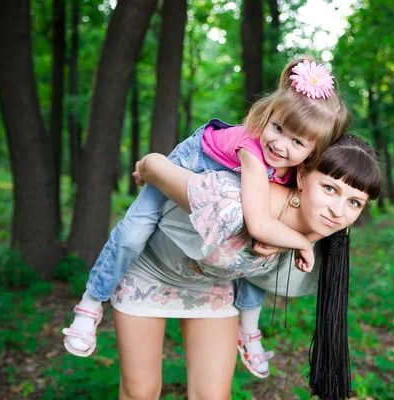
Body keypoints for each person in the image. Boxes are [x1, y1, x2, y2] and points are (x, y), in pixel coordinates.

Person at [63, 58, 350, 378]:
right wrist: (301, 242)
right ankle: (90, 302)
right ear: (266, 117)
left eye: (296, 141)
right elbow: (257, 222)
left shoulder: (297, 173)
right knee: (134, 231)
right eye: (277, 128)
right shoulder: (253, 149)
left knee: (258, 254)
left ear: (313, 153)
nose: (280, 144)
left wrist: (304, 237)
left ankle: (249, 330)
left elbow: (313, 215)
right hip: (194, 164)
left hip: (224, 212)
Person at [112, 133, 382, 399]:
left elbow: (328, 222)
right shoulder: (233, 199)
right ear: (301, 176)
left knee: (213, 396)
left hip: (211, 287)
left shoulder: (321, 231)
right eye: (330, 189)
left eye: (354, 202)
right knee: (141, 392)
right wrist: (148, 166)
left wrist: (299, 239)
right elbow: (158, 170)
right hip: (152, 273)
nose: (338, 210)